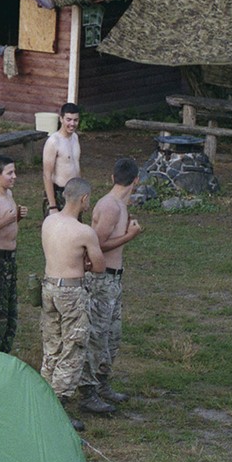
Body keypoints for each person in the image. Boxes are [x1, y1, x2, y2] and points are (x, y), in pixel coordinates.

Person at [40, 176, 105, 428]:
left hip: (49, 286)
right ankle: (60, 404)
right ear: (84, 199)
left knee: (52, 344)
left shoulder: (48, 221)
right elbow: (99, 266)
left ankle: (44, 397)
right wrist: (86, 260)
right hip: (71, 292)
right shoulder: (83, 231)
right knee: (73, 347)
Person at [81, 156, 143, 412]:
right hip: (101, 279)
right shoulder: (110, 206)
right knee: (97, 335)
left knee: (112, 336)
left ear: (113, 177)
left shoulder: (121, 204)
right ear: (136, 180)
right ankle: (87, 392)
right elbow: (94, 244)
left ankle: (102, 383)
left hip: (114, 280)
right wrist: (129, 236)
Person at [0, 159, 27, 353]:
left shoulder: (8, 194)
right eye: (10, 173)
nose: (14, 177)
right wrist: (6, 221)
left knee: (10, 308)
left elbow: (8, 223)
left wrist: (16, 218)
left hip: (11, 258)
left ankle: (5, 349)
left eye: (14, 172)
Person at [43, 102, 82, 217]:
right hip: (59, 192)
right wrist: (52, 205)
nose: (72, 124)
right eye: (68, 120)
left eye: (75, 120)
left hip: (74, 192)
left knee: (75, 232)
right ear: (61, 119)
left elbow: (76, 166)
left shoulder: (75, 137)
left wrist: (81, 194)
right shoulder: (53, 142)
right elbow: (47, 175)